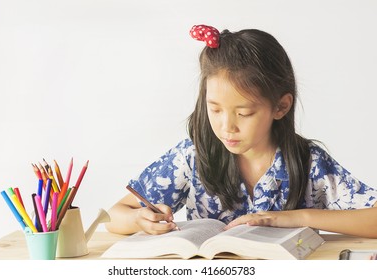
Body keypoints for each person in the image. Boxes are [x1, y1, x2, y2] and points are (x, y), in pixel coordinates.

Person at [105, 25, 377, 238]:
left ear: (280, 107)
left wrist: (295, 217)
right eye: (215, 109)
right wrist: (139, 220)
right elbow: (115, 215)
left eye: (244, 113)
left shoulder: (309, 161)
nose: (227, 127)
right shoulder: (192, 157)